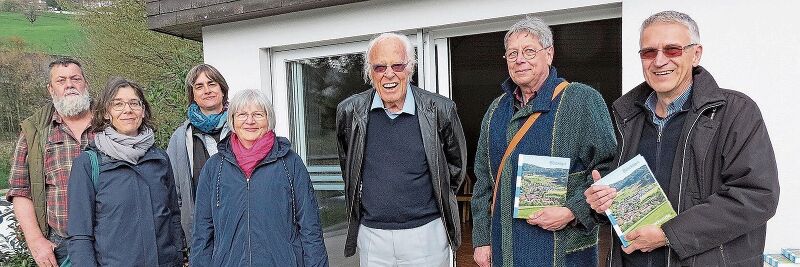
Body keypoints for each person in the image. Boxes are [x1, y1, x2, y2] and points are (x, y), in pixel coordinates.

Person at [584, 10, 779, 266]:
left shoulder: (736, 111)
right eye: (649, 52)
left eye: (672, 50)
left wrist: (668, 234)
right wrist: (602, 204)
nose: (659, 61)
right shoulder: (628, 117)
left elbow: (757, 196)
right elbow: (625, 196)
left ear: (695, 54)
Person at [470, 17, 616, 267]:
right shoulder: (495, 110)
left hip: (563, 252)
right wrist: (482, 240)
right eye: (512, 53)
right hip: (506, 251)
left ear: (549, 54)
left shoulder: (582, 100)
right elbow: (484, 180)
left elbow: (610, 170)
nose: (519, 59)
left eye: (529, 51)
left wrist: (573, 211)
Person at [336, 32, 467, 266]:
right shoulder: (350, 112)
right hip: (372, 236)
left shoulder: (440, 110)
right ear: (369, 72)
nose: (389, 74)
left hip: (426, 233)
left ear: (410, 68)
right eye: (379, 67)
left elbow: (455, 168)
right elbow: (349, 164)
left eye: (397, 65)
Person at [190, 89, 328, 266]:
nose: (250, 121)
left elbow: (310, 226)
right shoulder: (214, 167)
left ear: (268, 119)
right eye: (242, 115)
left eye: (258, 114)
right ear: (232, 120)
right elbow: (202, 232)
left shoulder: (290, 163)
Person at [67, 77, 183, 266]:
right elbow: (80, 235)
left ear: (143, 111)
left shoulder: (160, 159)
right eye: (118, 104)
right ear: (106, 112)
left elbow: (173, 218)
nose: (127, 110)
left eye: (134, 103)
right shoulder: (89, 164)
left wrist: (178, 257)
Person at [6, 58, 93, 267]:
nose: (69, 84)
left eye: (75, 78)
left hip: (112, 237)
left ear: (86, 84)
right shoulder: (34, 131)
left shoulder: (109, 123)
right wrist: (36, 241)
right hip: (62, 246)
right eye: (61, 80)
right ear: (50, 89)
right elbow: (20, 190)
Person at [166, 64, 231, 245]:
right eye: (199, 86)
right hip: (201, 236)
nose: (207, 90)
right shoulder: (180, 138)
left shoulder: (240, 128)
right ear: (192, 95)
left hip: (240, 228)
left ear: (222, 89)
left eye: (212, 84)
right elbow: (173, 193)